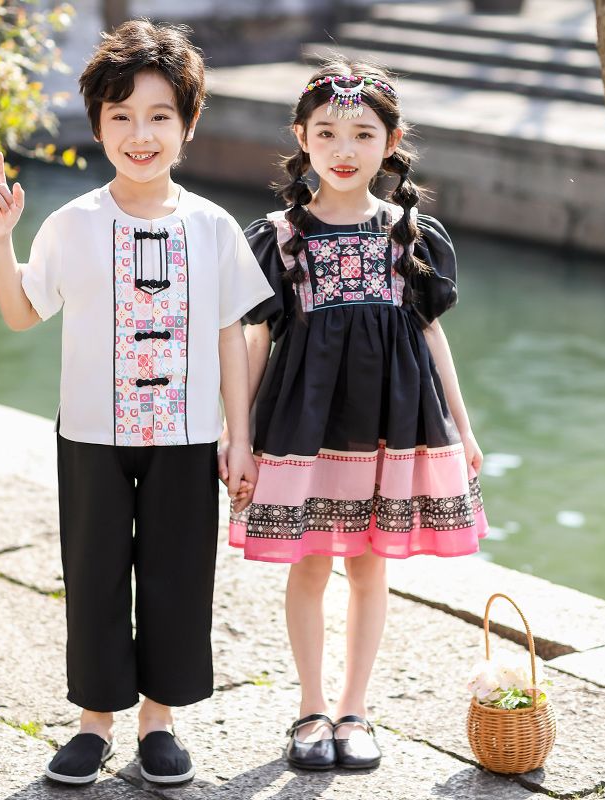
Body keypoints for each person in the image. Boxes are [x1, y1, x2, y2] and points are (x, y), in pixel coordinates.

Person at [0, 20, 272, 787]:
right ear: (98, 123)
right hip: (90, 434)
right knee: (96, 571)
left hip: (185, 435)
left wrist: (240, 439)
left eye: (159, 116)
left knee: (177, 575)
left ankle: (159, 723)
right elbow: (20, 313)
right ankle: (94, 723)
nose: (140, 134)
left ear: (187, 125)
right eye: (121, 117)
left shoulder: (212, 228)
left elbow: (232, 335)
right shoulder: (71, 223)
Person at [225, 59, 489, 771]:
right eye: (328, 132)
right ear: (302, 139)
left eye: (363, 134)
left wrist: (463, 431)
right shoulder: (280, 236)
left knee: (371, 567)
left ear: (391, 140)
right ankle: (310, 707)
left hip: (391, 422)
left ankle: (355, 709)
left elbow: (432, 334)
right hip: (303, 425)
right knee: (309, 567)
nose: (345, 149)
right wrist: (239, 438)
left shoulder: (412, 236)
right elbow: (256, 339)